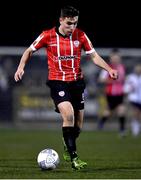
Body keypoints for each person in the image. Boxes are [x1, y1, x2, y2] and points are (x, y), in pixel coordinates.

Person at [14, 6, 118, 170]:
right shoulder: (47, 35)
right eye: (69, 23)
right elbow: (29, 50)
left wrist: (109, 69)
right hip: (57, 82)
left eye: (75, 23)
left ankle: (67, 141)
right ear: (61, 20)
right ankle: (74, 158)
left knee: (78, 126)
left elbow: (94, 55)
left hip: (77, 83)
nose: (72, 27)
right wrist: (21, 67)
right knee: (68, 115)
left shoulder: (81, 35)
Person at [97, 50, 126, 137]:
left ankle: (122, 129)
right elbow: (100, 79)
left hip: (120, 93)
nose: (116, 60)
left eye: (117, 58)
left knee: (121, 110)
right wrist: (112, 80)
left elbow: (123, 79)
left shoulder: (121, 67)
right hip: (111, 93)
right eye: (114, 58)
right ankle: (101, 123)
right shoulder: (108, 68)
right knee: (109, 111)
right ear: (111, 59)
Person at [124, 64, 141, 136]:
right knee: (136, 113)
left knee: (138, 115)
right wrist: (128, 90)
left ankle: (136, 129)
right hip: (133, 98)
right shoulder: (130, 77)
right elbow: (126, 88)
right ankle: (135, 130)